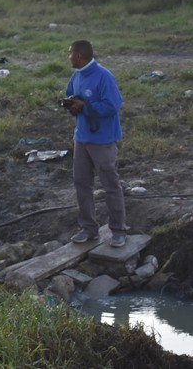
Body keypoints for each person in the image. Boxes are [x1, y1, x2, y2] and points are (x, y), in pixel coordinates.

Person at [65, 40, 127, 248]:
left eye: (70, 53)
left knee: (110, 185)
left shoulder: (104, 76)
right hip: (81, 138)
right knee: (82, 183)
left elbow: (113, 105)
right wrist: (73, 105)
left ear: (79, 55)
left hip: (102, 140)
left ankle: (118, 230)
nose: (69, 57)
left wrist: (86, 106)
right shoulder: (77, 75)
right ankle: (88, 228)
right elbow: (71, 95)